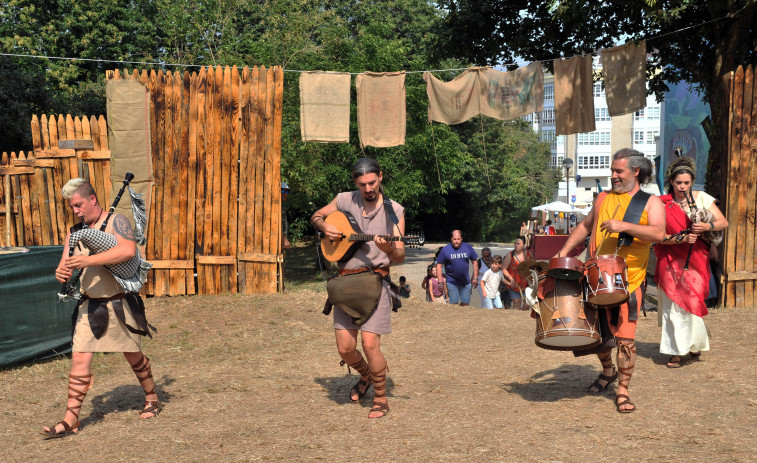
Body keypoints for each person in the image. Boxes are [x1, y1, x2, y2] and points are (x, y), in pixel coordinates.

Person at [43, 179, 159, 438]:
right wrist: (61, 271)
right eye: (72, 207)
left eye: (79, 204)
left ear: (92, 199)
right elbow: (66, 267)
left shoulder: (117, 222)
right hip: (89, 305)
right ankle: (70, 419)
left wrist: (88, 259)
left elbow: (128, 251)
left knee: (133, 356)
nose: (76, 211)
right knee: (80, 359)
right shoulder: (74, 233)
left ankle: (151, 396)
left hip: (118, 302)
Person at [556, 149, 665, 413]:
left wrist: (625, 226)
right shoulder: (602, 197)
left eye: (619, 171)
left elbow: (660, 233)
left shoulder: (651, 202)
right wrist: (563, 252)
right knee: (596, 337)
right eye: (613, 170)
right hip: (593, 278)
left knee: (625, 340)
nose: (613, 175)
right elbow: (584, 226)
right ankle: (608, 371)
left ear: (636, 171)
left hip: (628, 281)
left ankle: (623, 390)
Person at [310, 158, 404, 419]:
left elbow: (400, 255)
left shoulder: (394, 210)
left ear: (381, 177)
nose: (368, 188)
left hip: (376, 282)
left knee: (370, 343)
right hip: (345, 282)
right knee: (345, 348)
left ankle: (381, 399)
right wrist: (324, 225)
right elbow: (316, 216)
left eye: (372, 182)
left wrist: (388, 249)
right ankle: (365, 375)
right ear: (355, 183)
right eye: (362, 184)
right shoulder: (343, 200)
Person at [654, 156, 727, 368]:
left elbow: (723, 222)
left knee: (693, 302)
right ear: (671, 182)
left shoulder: (702, 198)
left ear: (692, 182)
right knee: (673, 305)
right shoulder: (662, 203)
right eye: (678, 183)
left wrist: (706, 227)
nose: (682, 187)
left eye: (686, 183)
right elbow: (657, 235)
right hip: (669, 259)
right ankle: (676, 351)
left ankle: (694, 343)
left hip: (696, 259)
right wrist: (681, 238)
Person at [435, 230, 479, 306]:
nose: (456, 241)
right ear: (451, 239)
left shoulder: (467, 247)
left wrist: (475, 277)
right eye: (454, 239)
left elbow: (475, 262)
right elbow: (439, 265)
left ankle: (462, 317)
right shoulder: (445, 249)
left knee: (465, 303)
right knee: (454, 304)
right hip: (451, 281)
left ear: (461, 238)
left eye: (458, 239)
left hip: (465, 281)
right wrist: (440, 282)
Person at [502, 236, 533, 310]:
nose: (516, 245)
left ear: (524, 244)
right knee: (516, 303)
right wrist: (511, 279)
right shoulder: (511, 255)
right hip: (514, 284)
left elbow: (534, 266)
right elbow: (503, 269)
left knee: (527, 303)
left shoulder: (530, 254)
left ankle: (522, 319)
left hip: (527, 284)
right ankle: (516, 320)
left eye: (518, 243)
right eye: (515, 243)